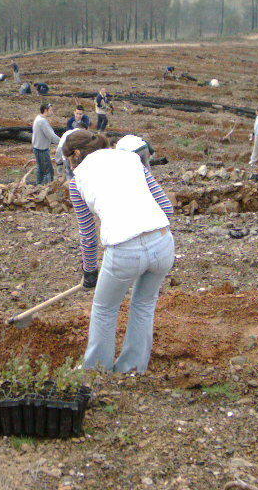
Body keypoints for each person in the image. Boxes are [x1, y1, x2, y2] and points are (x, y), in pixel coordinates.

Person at [62, 131, 175, 373]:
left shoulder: (77, 179)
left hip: (124, 249)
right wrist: (153, 234)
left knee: (104, 309)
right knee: (144, 306)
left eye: (68, 159)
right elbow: (166, 206)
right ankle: (131, 370)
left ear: (76, 154)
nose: (69, 165)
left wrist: (89, 271)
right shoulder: (131, 159)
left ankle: (96, 372)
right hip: (163, 241)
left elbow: (88, 234)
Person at [32, 102, 60, 185]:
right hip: (42, 150)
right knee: (48, 171)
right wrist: (62, 141)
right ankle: (47, 187)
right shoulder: (42, 122)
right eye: (50, 110)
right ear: (45, 110)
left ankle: (39, 185)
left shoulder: (38, 118)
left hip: (37, 148)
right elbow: (51, 136)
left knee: (41, 169)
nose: (52, 112)